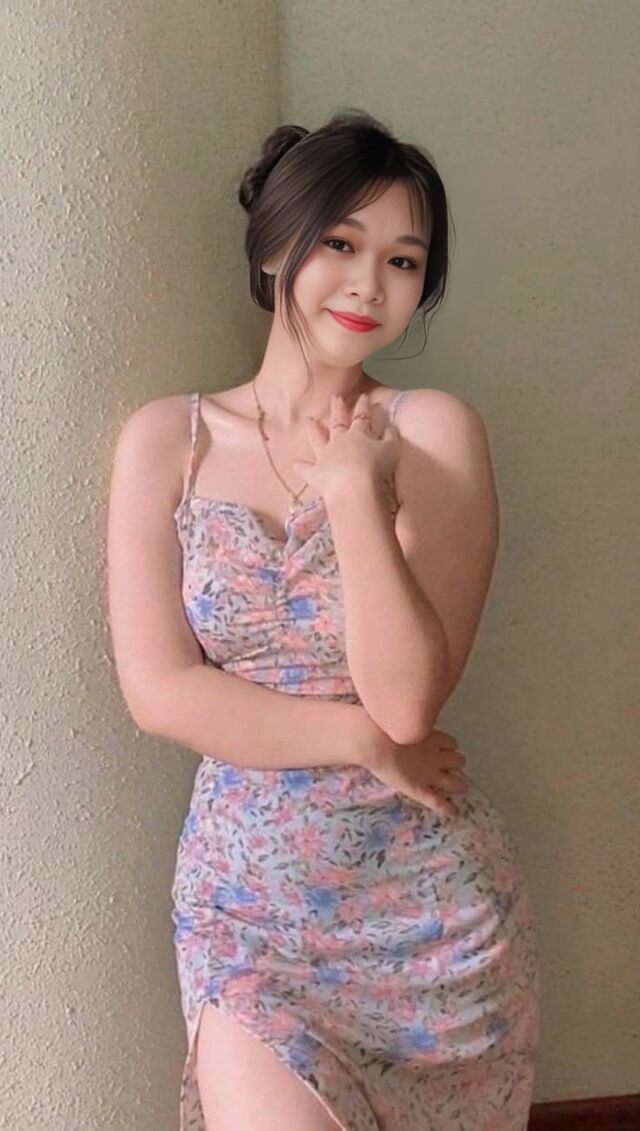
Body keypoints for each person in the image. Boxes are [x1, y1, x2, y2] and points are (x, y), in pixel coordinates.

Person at [107, 108, 541, 1131]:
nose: (367, 284)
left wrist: (352, 492)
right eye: (340, 244)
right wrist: (356, 741)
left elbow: (406, 703)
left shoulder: (432, 432)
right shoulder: (165, 440)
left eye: (403, 260)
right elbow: (158, 690)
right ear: (274, 250)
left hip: (430, 920)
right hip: (248, 912)